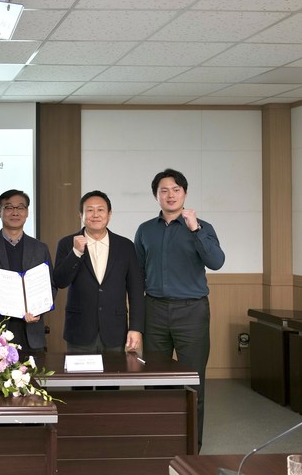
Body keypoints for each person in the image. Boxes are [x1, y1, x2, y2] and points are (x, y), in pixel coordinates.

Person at [134, 168, 225, 449]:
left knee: (193, 381)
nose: (170, 195)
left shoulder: (202, 227)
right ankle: (159, 441)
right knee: (155, 380)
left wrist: (195, 229)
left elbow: (217, 262)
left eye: (176, 190)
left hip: (191, 312)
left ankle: (191, 446)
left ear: (185, 193)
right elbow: (137, 274)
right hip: (154, 310)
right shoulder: (145, 230)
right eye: (164, 191)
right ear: (156, 196)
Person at [54, 190, 145, 354]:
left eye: (100, 210)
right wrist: (76, 253)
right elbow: (60, 281)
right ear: (81, 215)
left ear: (109, 214)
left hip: (115, 331)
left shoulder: (125, 246)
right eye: (89, 210)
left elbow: (136, 290)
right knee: (79, 372)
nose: (95, 215)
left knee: (114, 372)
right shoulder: (67, 243)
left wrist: (136, 328)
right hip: (79, 330)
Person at [0, 189, 55, 354]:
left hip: (30, 327)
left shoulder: (40, 248)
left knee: (33, 371)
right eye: (9, 207)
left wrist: (39, 309)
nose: (15, 212)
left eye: (20, 207)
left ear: (27, 212)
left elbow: (50, 286)